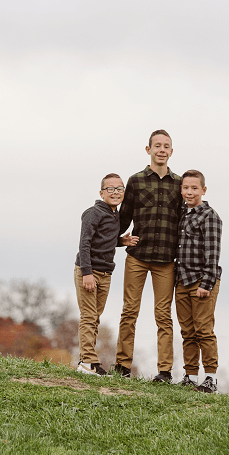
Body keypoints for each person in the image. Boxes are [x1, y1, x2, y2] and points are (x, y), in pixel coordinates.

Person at [113, 129, 182, 382]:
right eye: (157, 146)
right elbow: (124, 217)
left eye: (166, 146)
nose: (162, 150)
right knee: (129, 311)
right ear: (148, 150)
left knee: (163, 315)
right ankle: (122, 366)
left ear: (171, 152)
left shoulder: (179, 183)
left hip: (166, 260)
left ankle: (164, 371)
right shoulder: (136, 180)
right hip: (138, 257)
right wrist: (116, 240)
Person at [74, 173, 138, 376]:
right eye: (110, 189)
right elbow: (85, 243)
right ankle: (87, 362)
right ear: (101, 193)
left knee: (95, 318)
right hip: (89, 271)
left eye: (119, 189)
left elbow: (104, 239)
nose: (115, 192)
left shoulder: (114, 215)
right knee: (88, 316)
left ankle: (90, 361)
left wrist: (121, 241)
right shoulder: (93, 213)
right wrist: (87, 273)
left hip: (106, 273)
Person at [174, 169, 222, 393]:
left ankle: (210, 378)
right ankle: (190, 376)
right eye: (185, 188)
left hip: (201, 280)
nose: (189, 192)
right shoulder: (183, 214)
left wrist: (206, 283)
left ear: (203, 190)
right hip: (182, 280)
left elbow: (212, 254)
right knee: (188, 331)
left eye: (194, 188)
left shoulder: (209, 216)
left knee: (204, 329)